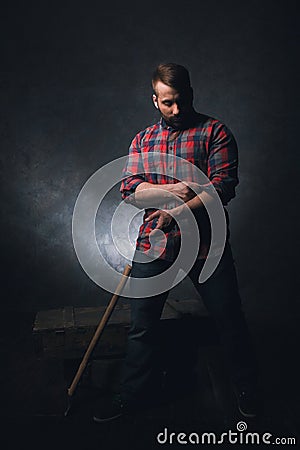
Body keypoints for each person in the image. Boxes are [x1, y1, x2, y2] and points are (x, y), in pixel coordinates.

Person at [93, 63, 259, 423]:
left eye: (181, 101)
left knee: (229, 319)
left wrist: (177, 210)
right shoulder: (143, 140)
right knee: (142, 326)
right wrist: (177, 189)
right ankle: (135, 395)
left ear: (191, 93)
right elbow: (130, 191)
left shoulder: (215, 131)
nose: (176, 110)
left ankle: (248, 389)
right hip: (154, 245)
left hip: (205, 246)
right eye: (167, 103)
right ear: (155, 100)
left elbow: (222, 188)